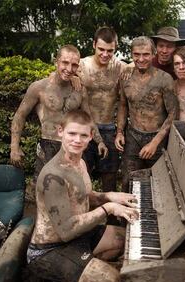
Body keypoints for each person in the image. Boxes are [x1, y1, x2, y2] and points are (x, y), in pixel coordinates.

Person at [26, 110, 138, 282]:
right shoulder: (53, 176)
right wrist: (108, 208)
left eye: (83, 135)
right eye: (72, 133)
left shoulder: (80, 163)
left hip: (78, 237)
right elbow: (66, 230)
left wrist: (110, 196)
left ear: (91, 136)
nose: (77, 140)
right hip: (49, 251)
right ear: (60, 131)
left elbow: (84, 196)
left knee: (123, 238)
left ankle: (80, 273)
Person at [10, 45, 107, 179]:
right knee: (45, 189)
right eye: (65, 63)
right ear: (56, 62)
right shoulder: (39, 87)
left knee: (74, 191)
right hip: (48, 145)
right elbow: (20, 115)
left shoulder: (79, 89)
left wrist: (99, 141)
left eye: (74, 65)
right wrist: (14, 147)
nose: (69, 69)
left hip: (73, 146)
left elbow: (87, 118)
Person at [115, 36, 178, 192]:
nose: (141, 59)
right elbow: (123, 105)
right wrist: (119, 132)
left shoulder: (164, 79)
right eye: (136, 54)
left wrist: (155, 142)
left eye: (145, 54)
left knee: (159, 184)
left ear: (153, 54)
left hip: (157, 137)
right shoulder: (126, 77)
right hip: (132, 136)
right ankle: (126, 216)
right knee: (128, 181)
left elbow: (173, 114)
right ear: (132, 55)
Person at [77, 27, 125, 192]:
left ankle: (111, 216)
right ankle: (83, 215)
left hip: (108, 128)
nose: (105, 54)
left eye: (110, 51)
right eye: (101, 49)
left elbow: (144, 70)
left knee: (110, 176)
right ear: (94, 45)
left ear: (115, 48)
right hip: (84, 127)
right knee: (81, 175)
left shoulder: (120, 68)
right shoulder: (81, 65)